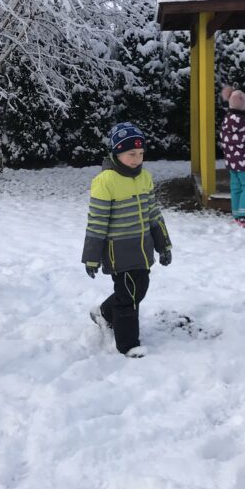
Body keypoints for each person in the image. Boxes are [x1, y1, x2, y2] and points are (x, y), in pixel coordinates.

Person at [82, 122, 173, 357]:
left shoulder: (145, 177)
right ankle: (128, 344)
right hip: (118, 250)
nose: (136, 158)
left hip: (142, 248)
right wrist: (91, 257)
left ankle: (103, 312)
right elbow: (97, 222)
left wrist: (163, 244)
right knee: (129, 296)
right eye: (131, 154)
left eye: (141, 153)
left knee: (138, 289)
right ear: (116, 153)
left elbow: (154, 214)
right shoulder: (106, 181)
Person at [218, 89, 245, 226]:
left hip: (231, 160)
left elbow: (223, 138)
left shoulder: (226, 120)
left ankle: (236, 214)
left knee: (235, 187)